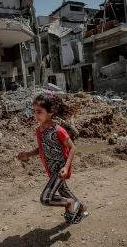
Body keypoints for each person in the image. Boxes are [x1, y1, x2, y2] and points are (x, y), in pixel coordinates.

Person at [17, 93, 88, 224]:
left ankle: (69, 204)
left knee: (45, 198)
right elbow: (42, 148)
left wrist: (66, 167)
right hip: (51, 169)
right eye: (34, 111)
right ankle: (81, 207)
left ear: (50, 112)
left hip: (60, 170)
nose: (36, 115)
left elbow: (73, 148)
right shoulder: (39, 130)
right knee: (63, 191)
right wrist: (27, 154)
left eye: (39, 111)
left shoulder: (58, 130)